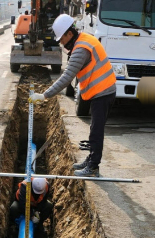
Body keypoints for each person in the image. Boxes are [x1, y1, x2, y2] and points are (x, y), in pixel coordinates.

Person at [29, 14, 116, 177]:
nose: (60, 42)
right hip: (101, 90)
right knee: (94, 128)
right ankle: (90, 160)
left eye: (61, 38)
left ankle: (93, 168)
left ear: (69, 34)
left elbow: (67, 77)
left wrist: (44, 95)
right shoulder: (84, 39)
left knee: (96, 131)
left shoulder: (81, 49)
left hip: (103, 91)